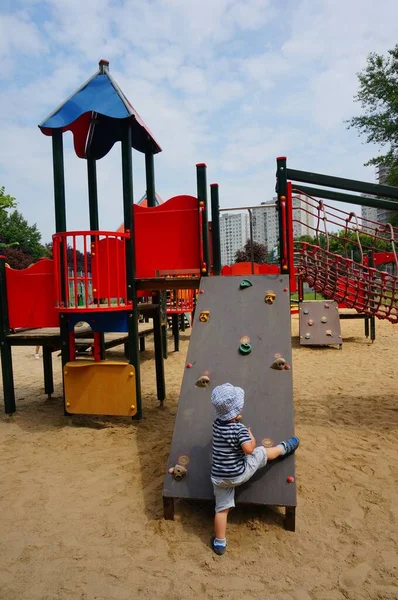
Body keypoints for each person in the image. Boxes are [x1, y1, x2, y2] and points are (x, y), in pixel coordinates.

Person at [210, 382, 300, 556]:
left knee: (221, 509)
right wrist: (250, 436)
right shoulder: (239, 429)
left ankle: (220, 542)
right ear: (236, 411)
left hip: (218, 477)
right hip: (238, 474)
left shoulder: (216, 425)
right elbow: (248, 450)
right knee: (260, 452)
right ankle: (284, 448)